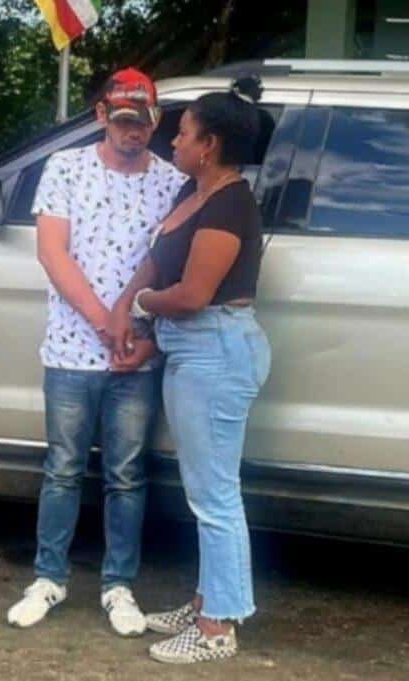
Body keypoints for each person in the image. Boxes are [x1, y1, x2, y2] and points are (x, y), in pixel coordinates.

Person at [6, 68, 188, 636]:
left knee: (126, 475)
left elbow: (171, 265)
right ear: (103, 116)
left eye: (144, 122)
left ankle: (119, 586)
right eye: (124, 120)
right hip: (70, 350)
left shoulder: (171, 182)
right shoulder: (66, 168)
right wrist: (104, 322)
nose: (134, 131)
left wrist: (139, 334)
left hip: (137, 356)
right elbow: (53, 253)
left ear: (156, 121)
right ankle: (48, 577)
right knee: (61, 469)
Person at [108, 76, 271, 664]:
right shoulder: (194, 191)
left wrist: (141, 306)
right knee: (207, 490)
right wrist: (131, 307)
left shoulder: (230, 204)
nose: (172, 141)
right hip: (194, 350)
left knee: (215, 496)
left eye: (184, 133)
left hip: (215, 351)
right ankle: (208, 599)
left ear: (210, 145)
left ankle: (216, 628)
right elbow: (161, 261)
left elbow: (194, 294)